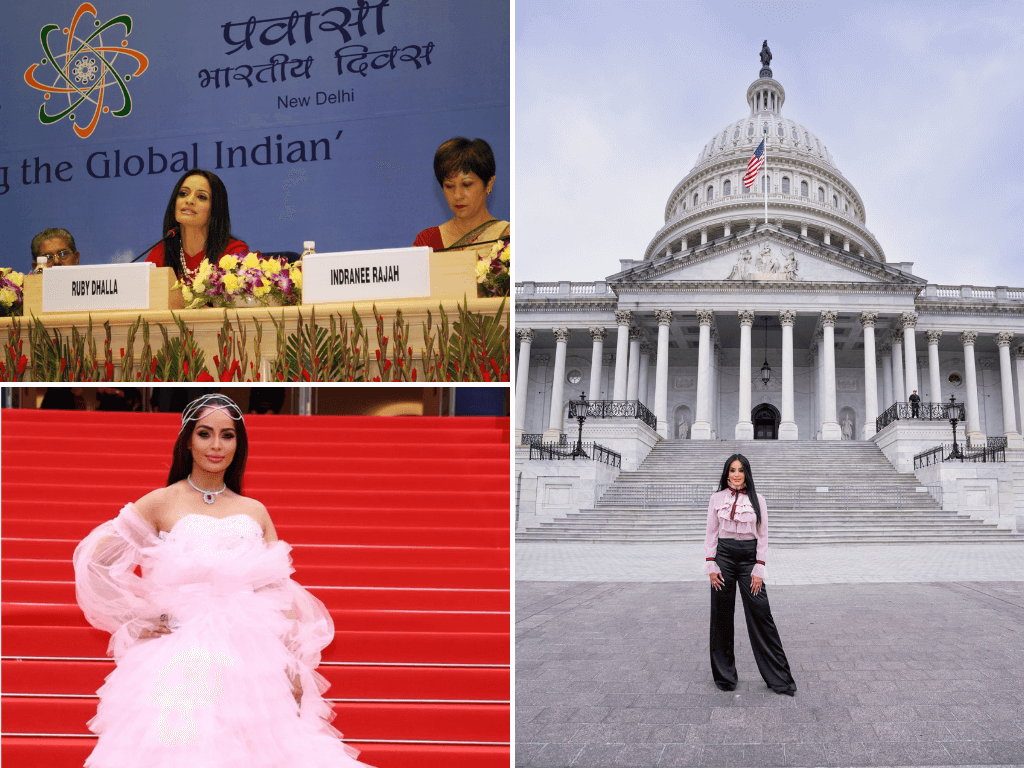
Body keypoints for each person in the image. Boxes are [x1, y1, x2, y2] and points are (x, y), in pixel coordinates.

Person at [73, 394, 370, 766]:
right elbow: (94, 562)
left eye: (227, 435)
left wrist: (293, 666)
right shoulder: (161, 502)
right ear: (187, 440)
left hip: (252, 657)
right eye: (205, 433)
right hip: (181, 652)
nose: (216, 445)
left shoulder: (255, 511)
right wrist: (139, 616)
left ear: (238, 444)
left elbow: (278, 591)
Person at [704, 454, 795, 696]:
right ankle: (724, 677)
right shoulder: (716, 499)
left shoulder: (758, 500)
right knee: (721, 617)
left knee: (761, 615)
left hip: (748, 560)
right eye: (732, 470)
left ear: (747, 473)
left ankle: (779, 679)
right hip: (723, 559)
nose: (736, 474)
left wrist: (759, 567)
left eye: (740, 470)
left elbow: (763, 535)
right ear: (726, 473)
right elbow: (711, 533)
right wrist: (711, 565)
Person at [146, 169, 249, 282]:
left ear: (215, 209)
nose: (189, 200)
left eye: (201, 197)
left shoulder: (233, 253)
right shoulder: (161, 252)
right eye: (183, 194)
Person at [413, 137, 510, 251]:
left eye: (467, 184)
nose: (457, 195)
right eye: (449, 186)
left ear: (489, 183)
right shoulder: (427, 242)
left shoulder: (508, 237)